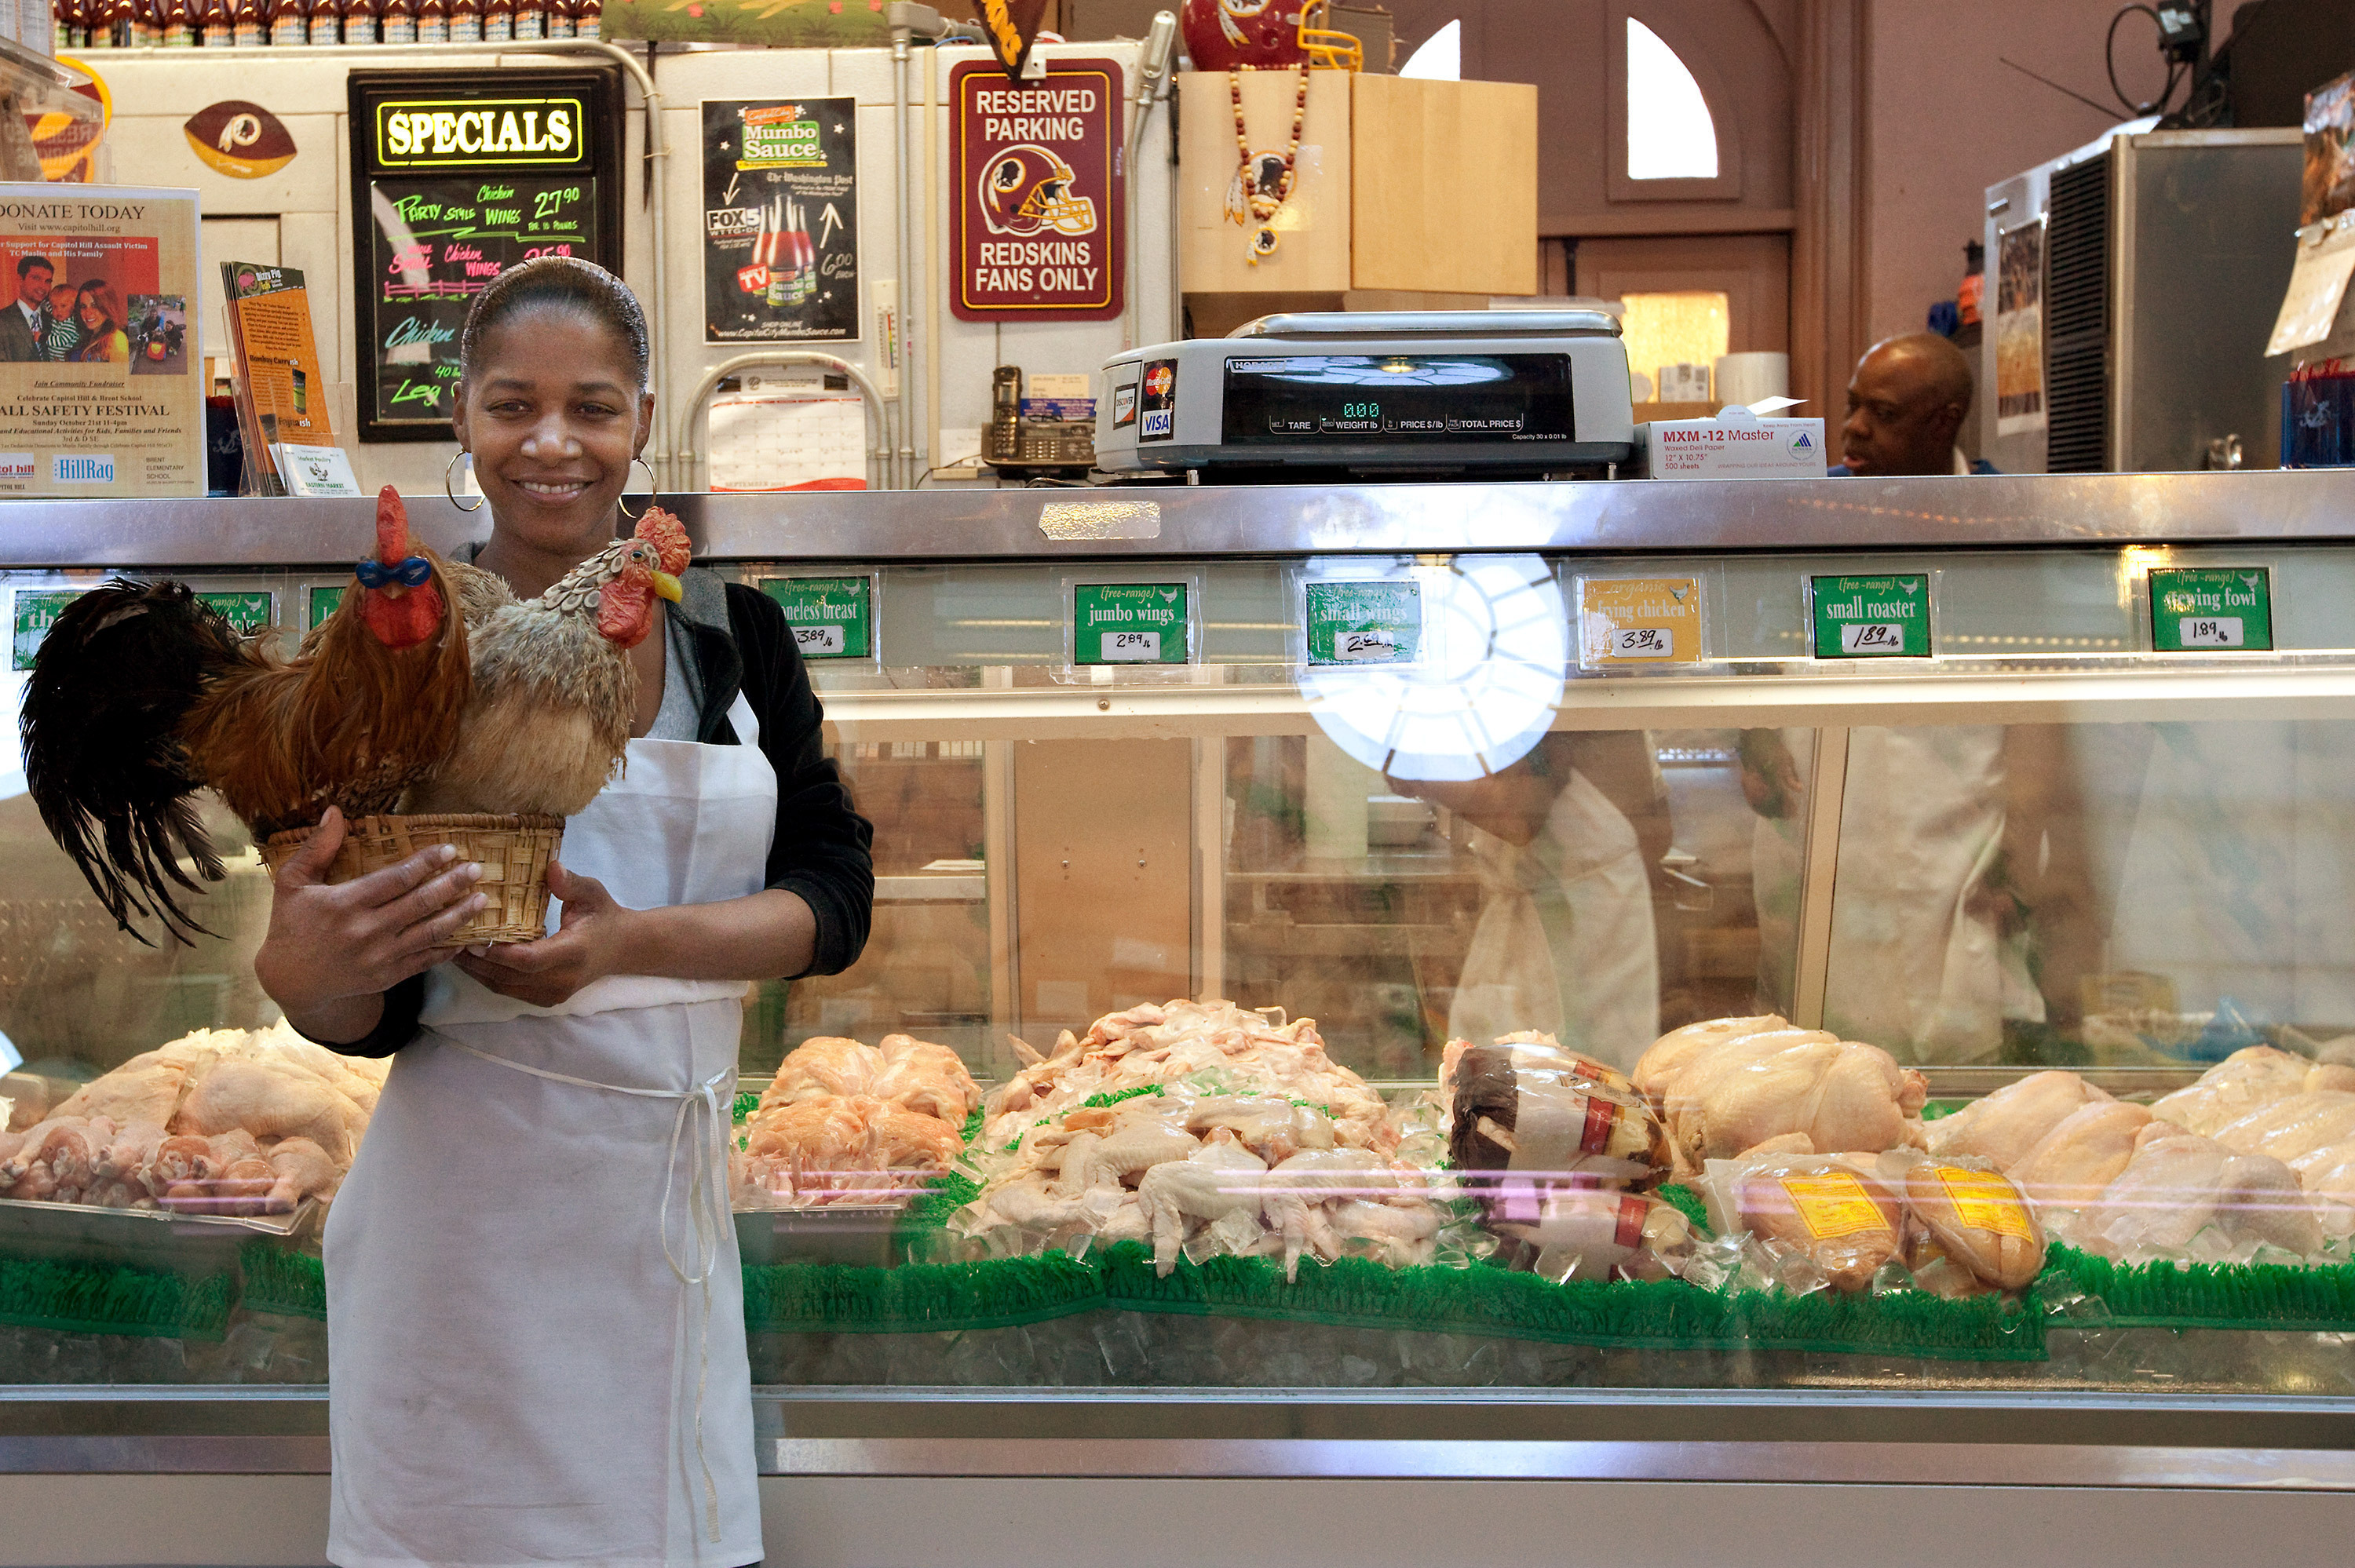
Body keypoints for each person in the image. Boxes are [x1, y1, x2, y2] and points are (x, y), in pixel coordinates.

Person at [252, 256, 874, 1568]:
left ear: (641, 420)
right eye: (509, 404)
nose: (551, 441)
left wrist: (624, 944)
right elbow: (376, 1012)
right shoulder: (403, 649)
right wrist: (305, 968)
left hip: (667, 1212)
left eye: (591, 406)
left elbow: (833, 902)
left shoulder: (734, 637)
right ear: (461, 422)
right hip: (464, 1232)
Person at [1393, 732, 1667, 1069]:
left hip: (1577, 913)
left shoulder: (1559, 718)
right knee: (1496, 1089)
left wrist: (1413, 767)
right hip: (1543, 897)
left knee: (1587, 1088)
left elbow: (1519, 813)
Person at [1829, 331, 1999, 476]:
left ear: (1943, 423)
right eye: (1853, 405)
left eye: (1884, 413)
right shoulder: (1815, 499)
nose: (1854, 426)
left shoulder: (2005, 505)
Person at [0, 255, 53, 362]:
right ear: (20, 280)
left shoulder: (54, 319)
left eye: (48, 281)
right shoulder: (3, 320)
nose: (43, 287)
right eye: (36, 278)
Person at [71, 282, 129, 364]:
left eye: (94, 306)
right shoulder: (84, 335)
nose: (88, 313)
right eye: (83, 306)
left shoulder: (116, 339)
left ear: (107, 307)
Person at [42, 283, 82, 362]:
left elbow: (61, 340)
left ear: (73, 307)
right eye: (55, 306)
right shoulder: (59, 315)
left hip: (64, 362)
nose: (58, 311)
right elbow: (47, 306)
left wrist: (42, 338)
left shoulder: (70, 323)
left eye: (63, 306)